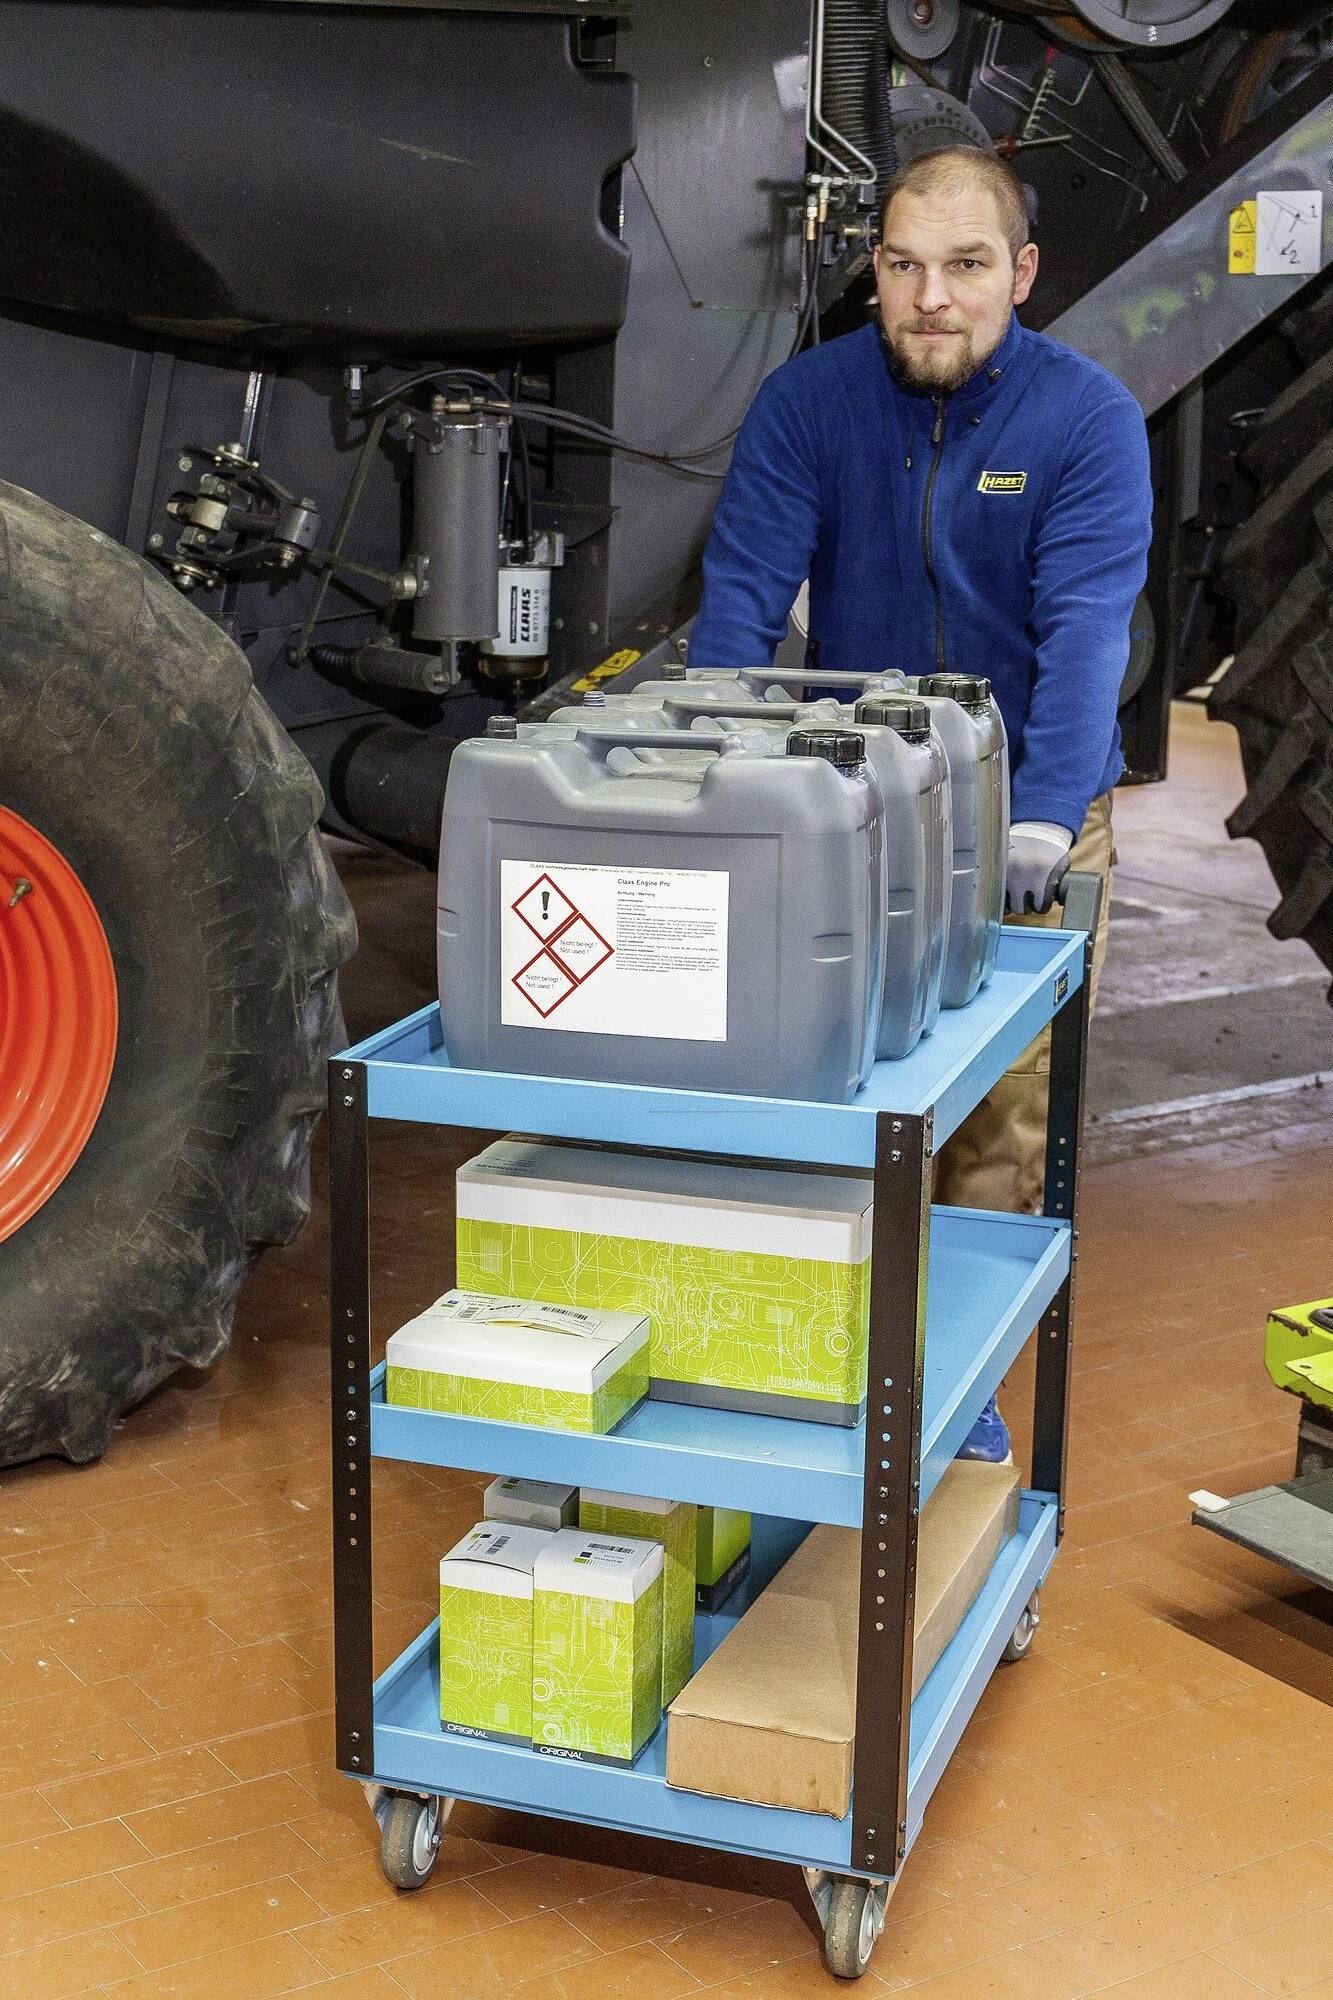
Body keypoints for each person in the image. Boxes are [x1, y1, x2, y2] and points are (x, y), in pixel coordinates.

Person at [689, 144, 1153, 1462]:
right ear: (874, 269)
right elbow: (738, 609)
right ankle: (823, 1367)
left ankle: (954, 1406)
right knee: (845, 1094)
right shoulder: (807, 405)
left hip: (1027, 815)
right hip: (858, 811)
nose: (930, 297)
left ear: (1019, 273)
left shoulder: (1083, 420)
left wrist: (1045, 818)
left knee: (1001, 1119)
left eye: (963, 267)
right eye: (903, 265)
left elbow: (1082, 640)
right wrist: (729, 795)